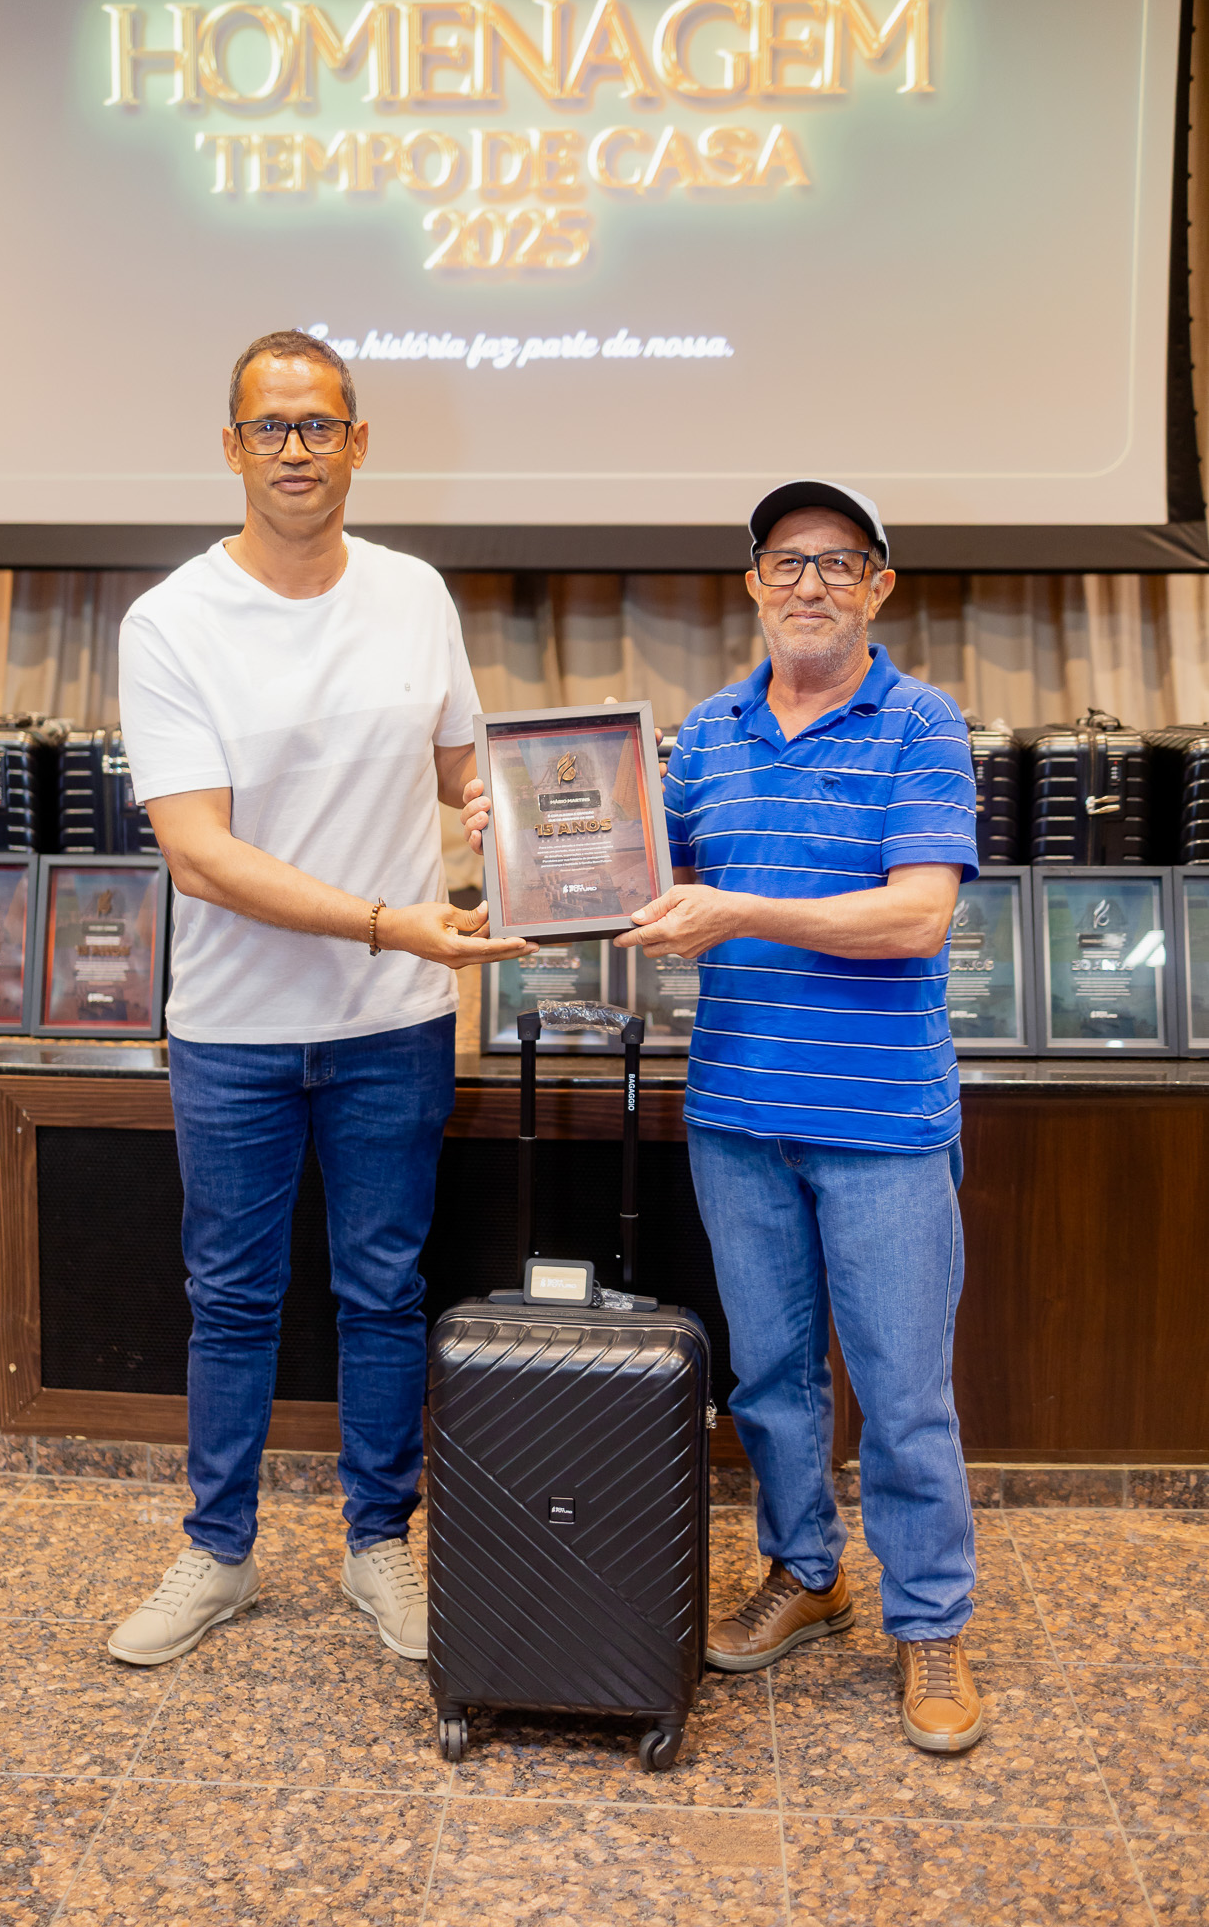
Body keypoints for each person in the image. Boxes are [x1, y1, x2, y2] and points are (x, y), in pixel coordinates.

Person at [475, 480, 981, 1751]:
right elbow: (631, 870)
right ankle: (806, 1572)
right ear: (752, 584)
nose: (811, 584)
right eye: (786, 562)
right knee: (770, 1379)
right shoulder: (706, 733)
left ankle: (930, 1622)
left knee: (904, 1391)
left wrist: (742, 911)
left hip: (882, 1121)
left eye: (839, 562)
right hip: (739, 1114)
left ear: (880, 586)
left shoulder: (921, 724)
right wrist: (520, 824)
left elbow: (918, 914)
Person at [108, 329, 529, 1668]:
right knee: (232, 1299)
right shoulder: (170, 620)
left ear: (359, 442)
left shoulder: (415, 594)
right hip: (233, 1031)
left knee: (383, 1292)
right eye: (270, 427)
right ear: (232, 448)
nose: (296, 448)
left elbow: (463, 765)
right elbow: (201, 854)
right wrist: (388, 922)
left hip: (393, 1025)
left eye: (319, 424)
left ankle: (378, 1543)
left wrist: (521, 807)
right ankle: (218, 1551)